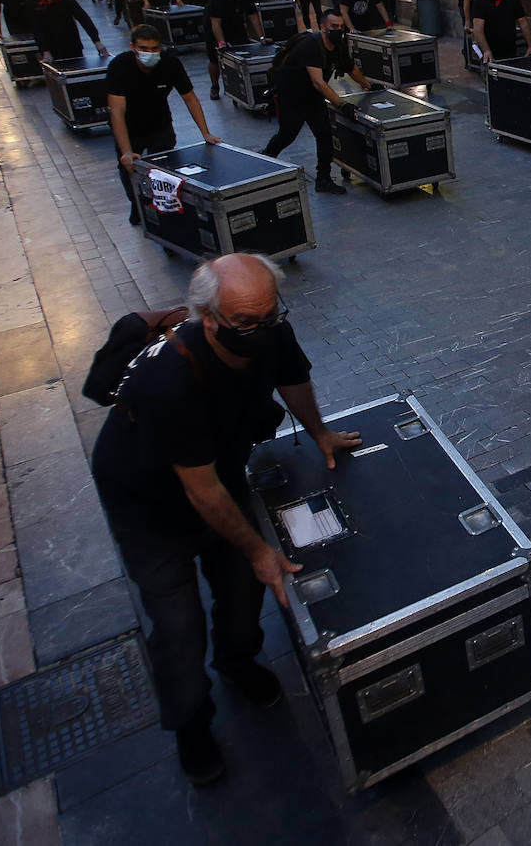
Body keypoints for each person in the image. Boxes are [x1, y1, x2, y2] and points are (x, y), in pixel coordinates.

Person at [89, 253, 362, 785]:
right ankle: (191, 725)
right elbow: (203, 492)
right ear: (206, 317)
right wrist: (259, 550)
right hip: (148, 499)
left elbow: (293, 379)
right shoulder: (168, 379)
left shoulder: (267, 328)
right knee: (177, 625)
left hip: (217, 466)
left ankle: (239, 664)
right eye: (244, 323)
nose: (259, 331)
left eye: (268, 317)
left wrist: (319, 430)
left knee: (241, 591)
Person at [106, 24, 221, 225]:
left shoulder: (170, 63)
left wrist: (206, 133)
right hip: (130, 127)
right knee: (128, 169)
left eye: (154, 49)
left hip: (160, 124)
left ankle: (164, 212)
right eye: (143, 48)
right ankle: (137, 203)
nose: (149, 54)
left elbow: (190, 98)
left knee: (164, 170)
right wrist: (126, 151)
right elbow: (117, 111)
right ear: (133, 47)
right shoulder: (119, 66)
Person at [261, 10, 373, 194]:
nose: (338, 30)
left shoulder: (338, 46)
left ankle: (323, 179)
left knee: (324, 134)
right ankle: (266, 159)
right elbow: (318, 82)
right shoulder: (311, 46)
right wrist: (341, 104)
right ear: (322, 28)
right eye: (333, 27)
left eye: (341, 27)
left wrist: (368, 85)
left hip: (312, 96)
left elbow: (351, 68)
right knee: (287, 134)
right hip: (291, 95)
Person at [24, 0, 107, 63]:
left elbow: (82, 17)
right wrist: (44, 50)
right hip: (50, 44)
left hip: (71, 42)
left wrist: (96, 41)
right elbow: (35, 27)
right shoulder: (32, 0)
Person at [204, 0, 267, 98]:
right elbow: (215, 22)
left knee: (241, 54)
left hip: (235, 23)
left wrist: (261, 38)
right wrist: (221, 43)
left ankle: (241, 89)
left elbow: (253, 16)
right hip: (214, 25)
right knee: (214, 58)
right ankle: (215, 86)